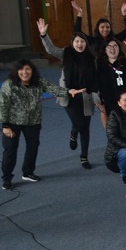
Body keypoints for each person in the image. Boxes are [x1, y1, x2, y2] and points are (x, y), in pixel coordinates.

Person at [0, 60, 82, 188]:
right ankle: (7, 177)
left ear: (32, 71)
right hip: (12, 122)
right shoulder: (9, 84)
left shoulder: (38, 82)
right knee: (10, 149)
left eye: (28, 69)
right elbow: (3, 105)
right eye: (21, 70)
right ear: (17, 71)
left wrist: (68, 92)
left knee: (33, 146)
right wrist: (5, 125)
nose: (25, 72)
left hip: (33, 121)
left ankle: (28, 172)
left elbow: (53, 88)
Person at [38, 18, 103, 169]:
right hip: (69, 95)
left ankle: (84, 157)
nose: (80, 44)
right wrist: (43, 35)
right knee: (79, 125)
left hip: (86, 96)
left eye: (83, 42)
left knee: (85, 128)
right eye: (77, 41)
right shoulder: (66, 53)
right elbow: (50, 49)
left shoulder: (91, 58)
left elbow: (95, 79)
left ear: (86, 44)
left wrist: (96, 96)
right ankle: (73, 133)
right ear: (73, 43)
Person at [96, 36, 126, 130]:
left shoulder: (125, 62)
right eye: (109, 47)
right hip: (110, 101)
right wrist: (99, 101)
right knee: (115, 126)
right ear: (105, 50)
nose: (113, 49)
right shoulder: (101, 65)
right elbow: (97, 84)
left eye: (115, 46)